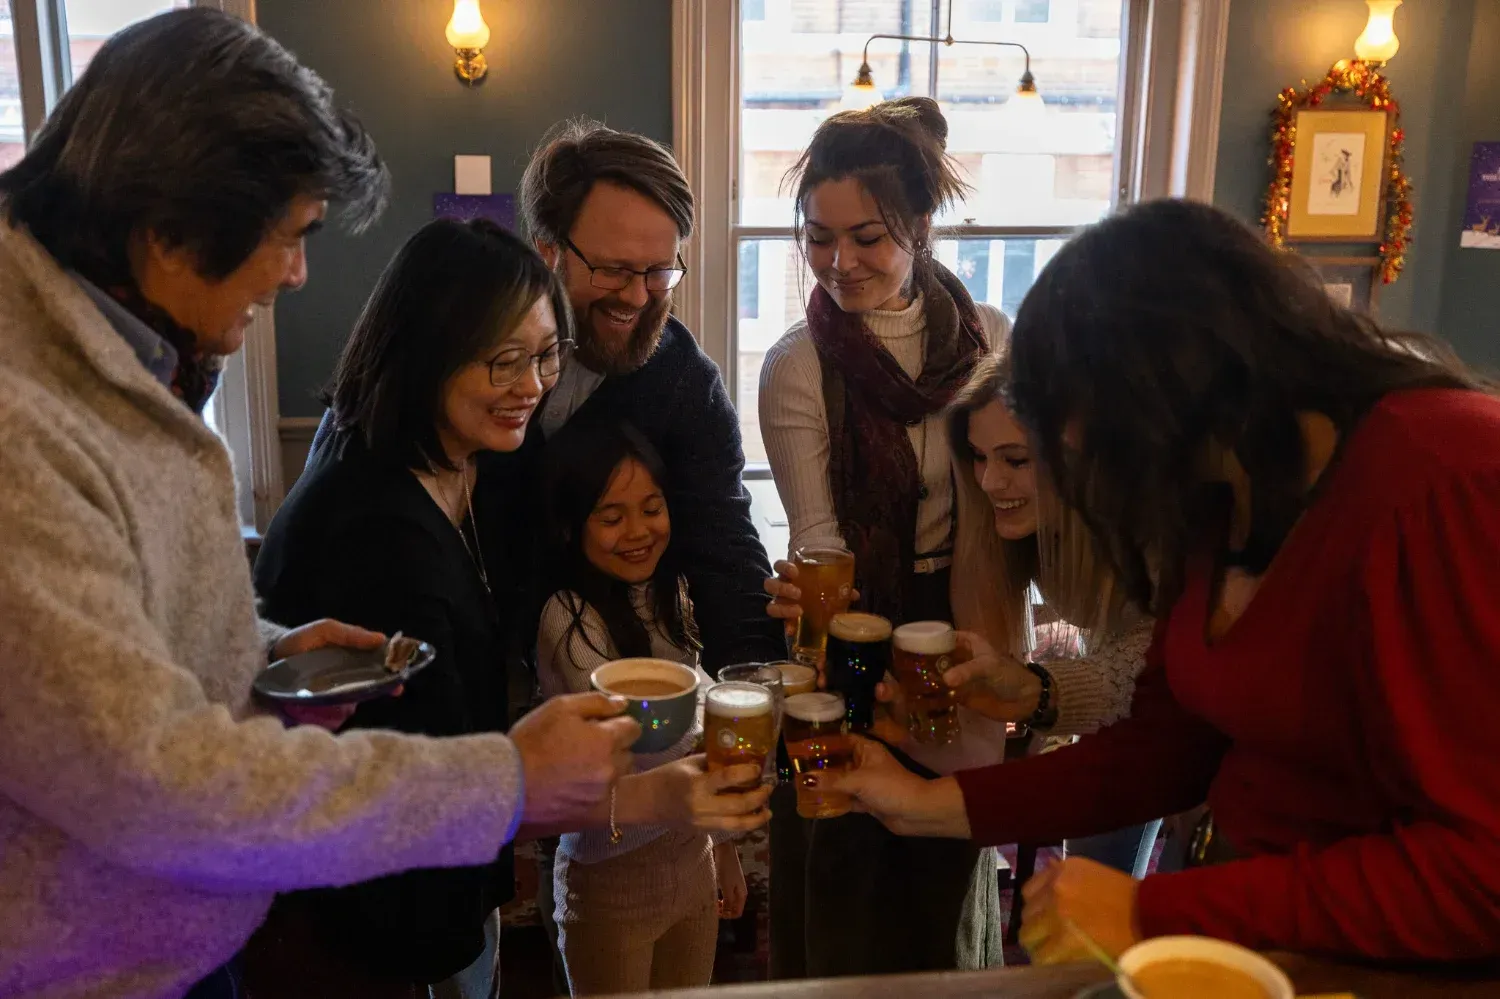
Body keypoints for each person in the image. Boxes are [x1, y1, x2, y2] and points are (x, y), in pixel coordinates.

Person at [0, 13, 641, 999]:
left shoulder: (119, 363)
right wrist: (503, 783)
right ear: (169, 224)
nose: (299, 273)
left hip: (172, 938)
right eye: (289, 236)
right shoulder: (20, 423)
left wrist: (250, 654)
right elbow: (152, 786)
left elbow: (84, 666)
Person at [814, 198, 1500, 964]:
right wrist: (924, 803)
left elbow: (1482, 875)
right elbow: (1168, 750)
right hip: (1253, 933)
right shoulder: (1220, 494)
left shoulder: (1448, 476)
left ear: (1172, 382)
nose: (1076, 468)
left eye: (1082, 432)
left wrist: (1158, 907)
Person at [756, 97, 1008, 978]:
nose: (839, 262)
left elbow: (1023, 506)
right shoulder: (797, 365)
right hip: (851, 627)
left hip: (962, 621)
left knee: (938, 875)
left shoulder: (990, 344)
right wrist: (826, 625)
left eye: (866, 236)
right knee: (838, 877)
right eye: (818, 237)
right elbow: (821, 540)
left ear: (920, 224)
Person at [537, 416, 749, 995]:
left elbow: (697, 723)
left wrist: (725, 851)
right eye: (611, 517)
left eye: (651, 508)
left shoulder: (667, 591)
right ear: (572, 525)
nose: (638, 531)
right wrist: (726, 715)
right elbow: (643, 745)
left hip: (692, 865)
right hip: (610, 885)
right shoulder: (567, 616)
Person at [942, 353, 1162, 879]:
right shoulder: (1009, 531)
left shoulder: (1144, 527)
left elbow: (1156, 670)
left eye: (1015, 460)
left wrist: (1040, 691)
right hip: (1133, 716)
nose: (990, 481)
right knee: (1091, 877)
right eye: (978, 456)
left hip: (1225, 728)